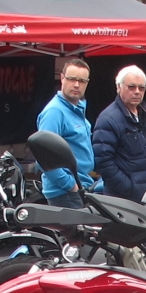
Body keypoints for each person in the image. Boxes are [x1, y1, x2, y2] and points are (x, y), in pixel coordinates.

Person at [91, 64, 146, 202]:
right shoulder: (108, 119)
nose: (137, 91)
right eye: (131, 87)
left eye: (141, 88)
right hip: (123, 200)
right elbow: (103, 163)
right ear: (118, 87)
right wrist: (131, 189)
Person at [35, 57, 97, 200]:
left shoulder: (76, 109)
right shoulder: (55, 112)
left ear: (87, 83)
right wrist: (71, 185)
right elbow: (44, 158)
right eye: (72, 79)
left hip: (81, 186)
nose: (76, 85)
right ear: (62, 78)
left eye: (82, 81)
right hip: (65, 193)